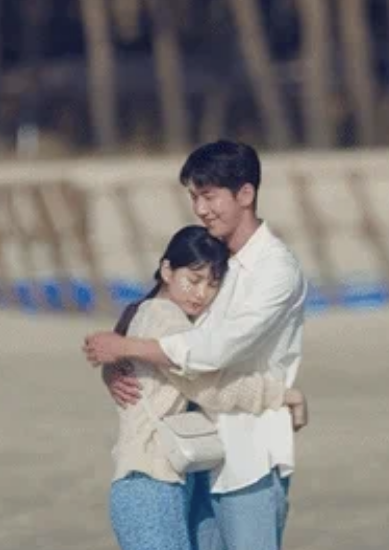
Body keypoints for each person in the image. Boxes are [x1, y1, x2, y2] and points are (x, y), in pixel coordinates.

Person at [83, 140, 308, 550]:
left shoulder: (274, 269)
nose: (201, 209)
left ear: (245, 194)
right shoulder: (211, 261)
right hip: (189, 458)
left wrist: (126, 350)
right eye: (194, 197)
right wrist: (116, 369)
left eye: (209, 196)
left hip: (248, 453)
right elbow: (160, 337)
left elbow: (213, 351)